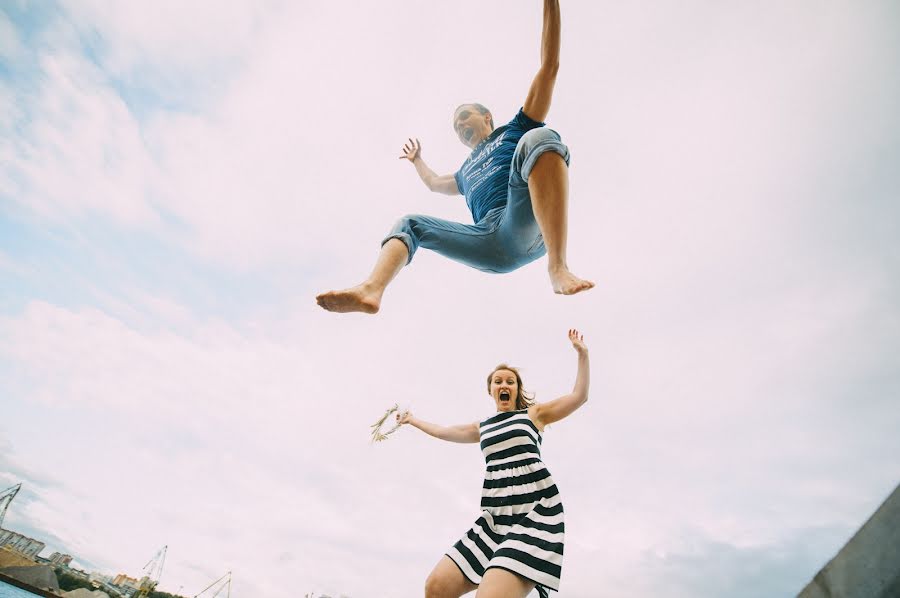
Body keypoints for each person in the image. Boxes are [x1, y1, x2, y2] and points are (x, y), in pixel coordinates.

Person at [316, 0, 593, 315]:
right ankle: (371, 289)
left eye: (464, 117)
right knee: (410, 223)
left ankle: (557, 266)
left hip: (523, 222)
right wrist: (418, 160)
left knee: (540, 138)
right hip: (488, 241)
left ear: (486, 116)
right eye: (455, 126)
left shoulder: (517, 127)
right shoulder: (464, 172)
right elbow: (434, 183)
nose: (460, 125)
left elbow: (549, 66)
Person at [396, 329, 590, 598]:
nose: (504, 385)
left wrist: (582, 354)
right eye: (498, 381)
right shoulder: (482, 427)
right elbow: (444, 431)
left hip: (534, 515)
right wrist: (412, 420)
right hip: (494, 521)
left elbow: (578, 396)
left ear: (517, 389)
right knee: (436, 586)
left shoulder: (534, 415)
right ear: (491, 390)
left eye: (510, 382)